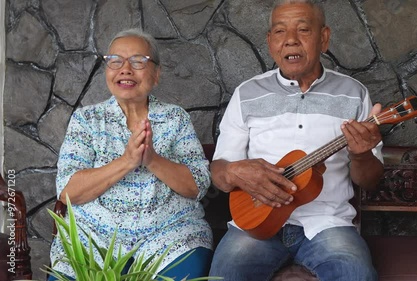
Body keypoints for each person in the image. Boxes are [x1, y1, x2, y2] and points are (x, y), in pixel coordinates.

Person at [208, 1, 383, 280]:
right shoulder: (246, 94)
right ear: (270, 42)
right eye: (280, 32)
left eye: (303, 29)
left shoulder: (354, 94)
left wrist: (362, 155)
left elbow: (370, 180)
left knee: (356, 273)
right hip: (255, 223)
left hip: (328, 224)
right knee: (225, 274)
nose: (290, 40)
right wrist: (233, 171)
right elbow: (219, 172)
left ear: (324, 38)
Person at [49, 28, 213, 280]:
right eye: (115, 61)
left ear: (156, 74)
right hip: (93, 240)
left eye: (138, 61)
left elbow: (198, 185)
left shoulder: (175, 118)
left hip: (171, 238)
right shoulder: (87, 120)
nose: (125, 69)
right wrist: (126, 161)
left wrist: (152, 159)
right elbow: (68, 191)